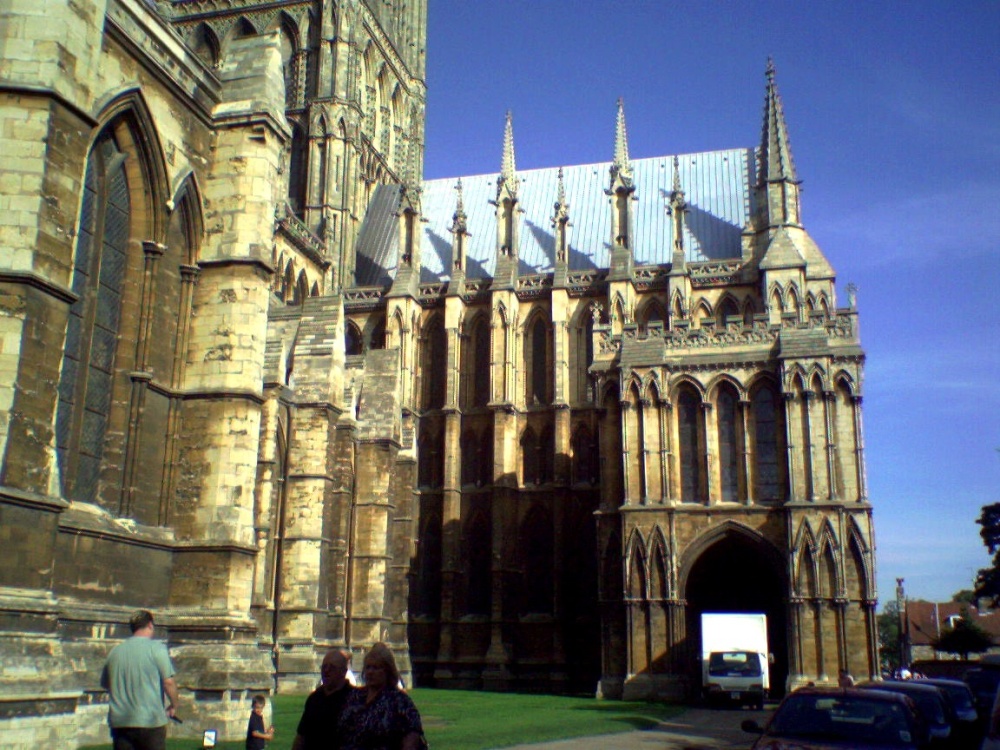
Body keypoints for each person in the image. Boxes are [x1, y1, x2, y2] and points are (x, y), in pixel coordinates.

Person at [100, 609, 179, 750]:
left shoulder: (115, 652)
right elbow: (168, 682)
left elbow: (106, 684)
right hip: (149, 722)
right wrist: (174, 704)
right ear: (150, 625)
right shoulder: (157, 649)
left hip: (121, 722)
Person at [338, 643, 425, 750]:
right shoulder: (355, 696)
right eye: (368, 667)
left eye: (376, 668)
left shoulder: (399, 701)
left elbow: (413, 734)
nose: (370, 672)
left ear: (388, 671)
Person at [291, 649, 357, 750]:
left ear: (343, 671)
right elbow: (302, 736)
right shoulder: (315, 698)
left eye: (332, 667)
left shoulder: (355, 699)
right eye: (324, 666)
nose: (326, 670)